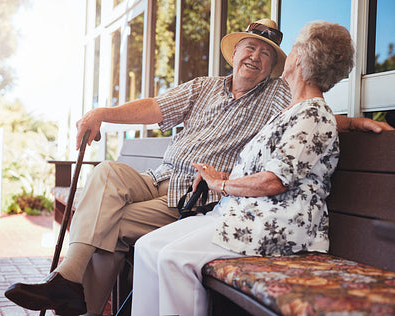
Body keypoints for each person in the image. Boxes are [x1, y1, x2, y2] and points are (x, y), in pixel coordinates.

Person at [4, 19, 392, 316]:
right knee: (105, 173)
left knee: (106, 226)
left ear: (277, 65)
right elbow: (154, 107)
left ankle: (75, 299)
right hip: (157, 178)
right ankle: (69, 283)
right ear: (235, 51)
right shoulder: (204, 86)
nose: (255, 57)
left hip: (194, 194)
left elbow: (312, 116)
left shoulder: (277, 96)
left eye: (266, 53)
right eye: (250, 47)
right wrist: (102, 113)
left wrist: (356, 122)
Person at [131, 20, 359, 316]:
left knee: (174, 258)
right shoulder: (290, 111)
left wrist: (220, 186)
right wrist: (223, 177)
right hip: (242, 213)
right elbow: (267, 171)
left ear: (301, 57)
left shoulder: (314, 115)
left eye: (292, 49)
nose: (287, 56)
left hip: (278, 224)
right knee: (148, 248)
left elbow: (274, 182)